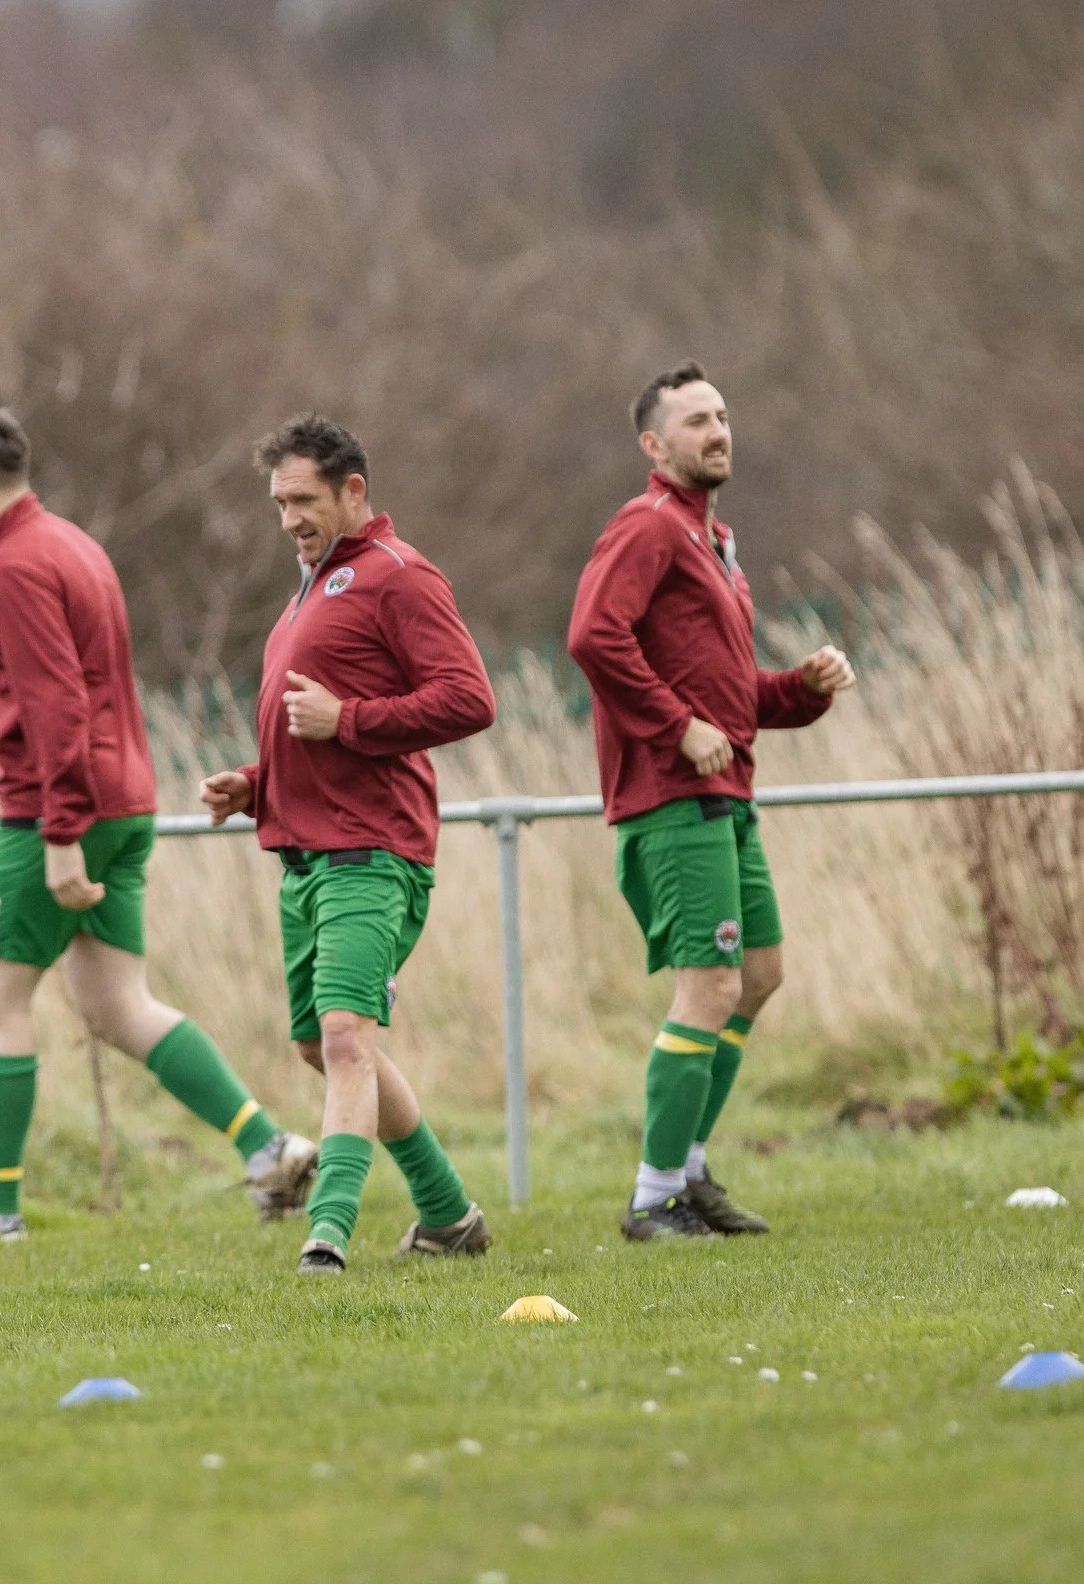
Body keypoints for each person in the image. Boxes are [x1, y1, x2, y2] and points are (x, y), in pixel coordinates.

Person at [0, 405, 319, 1244]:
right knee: (116, 1005)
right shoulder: (73, 544)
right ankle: (267, 1145)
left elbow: (63, 701)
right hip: (125, 798)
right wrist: (16, 740)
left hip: (57, 815)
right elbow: (78, 691)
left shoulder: (15, 566)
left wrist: (59, 829)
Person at [200, 414, 498, 1276]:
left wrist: (351, 721)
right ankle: (448, 1215)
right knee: (320, 1046)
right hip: (303, 856)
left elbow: (470, 699)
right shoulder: (310, 585)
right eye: (278, 502)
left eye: (303, 500)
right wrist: (254, 784)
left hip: (374, 854)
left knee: (343, 1038)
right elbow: (314, 729)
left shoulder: (399, 577)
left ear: (353, 491)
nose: (288, 517)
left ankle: (327, 1236)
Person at [566, 361, 854, 1241]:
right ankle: (653, 1197)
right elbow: (590, 636)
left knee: (757, 977)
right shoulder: (649, 525)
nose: (717, 430)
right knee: (709, 985)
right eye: (695, 421)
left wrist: (802, 690)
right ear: (655, 446)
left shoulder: (715, 544)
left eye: (722, 415)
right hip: (671, 801)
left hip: (725, 794)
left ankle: (688, 1173)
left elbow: (732, 705)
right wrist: (673, 725)